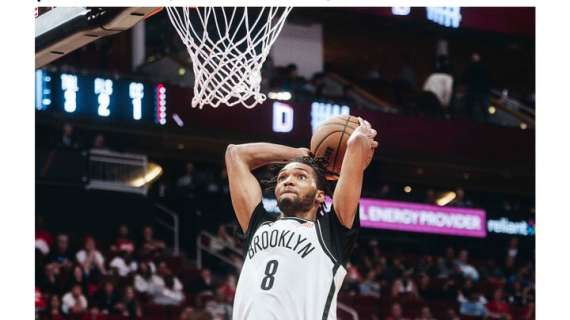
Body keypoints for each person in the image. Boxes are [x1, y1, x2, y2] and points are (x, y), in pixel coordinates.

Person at [225, 117, 378, 319]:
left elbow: (355, 144)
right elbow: (235, 154)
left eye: (301, 176)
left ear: (320, 195)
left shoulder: (331, 232)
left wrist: (361, 137)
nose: (288, 181)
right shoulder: (258, 226)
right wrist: (297, 155)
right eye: (282, 177)